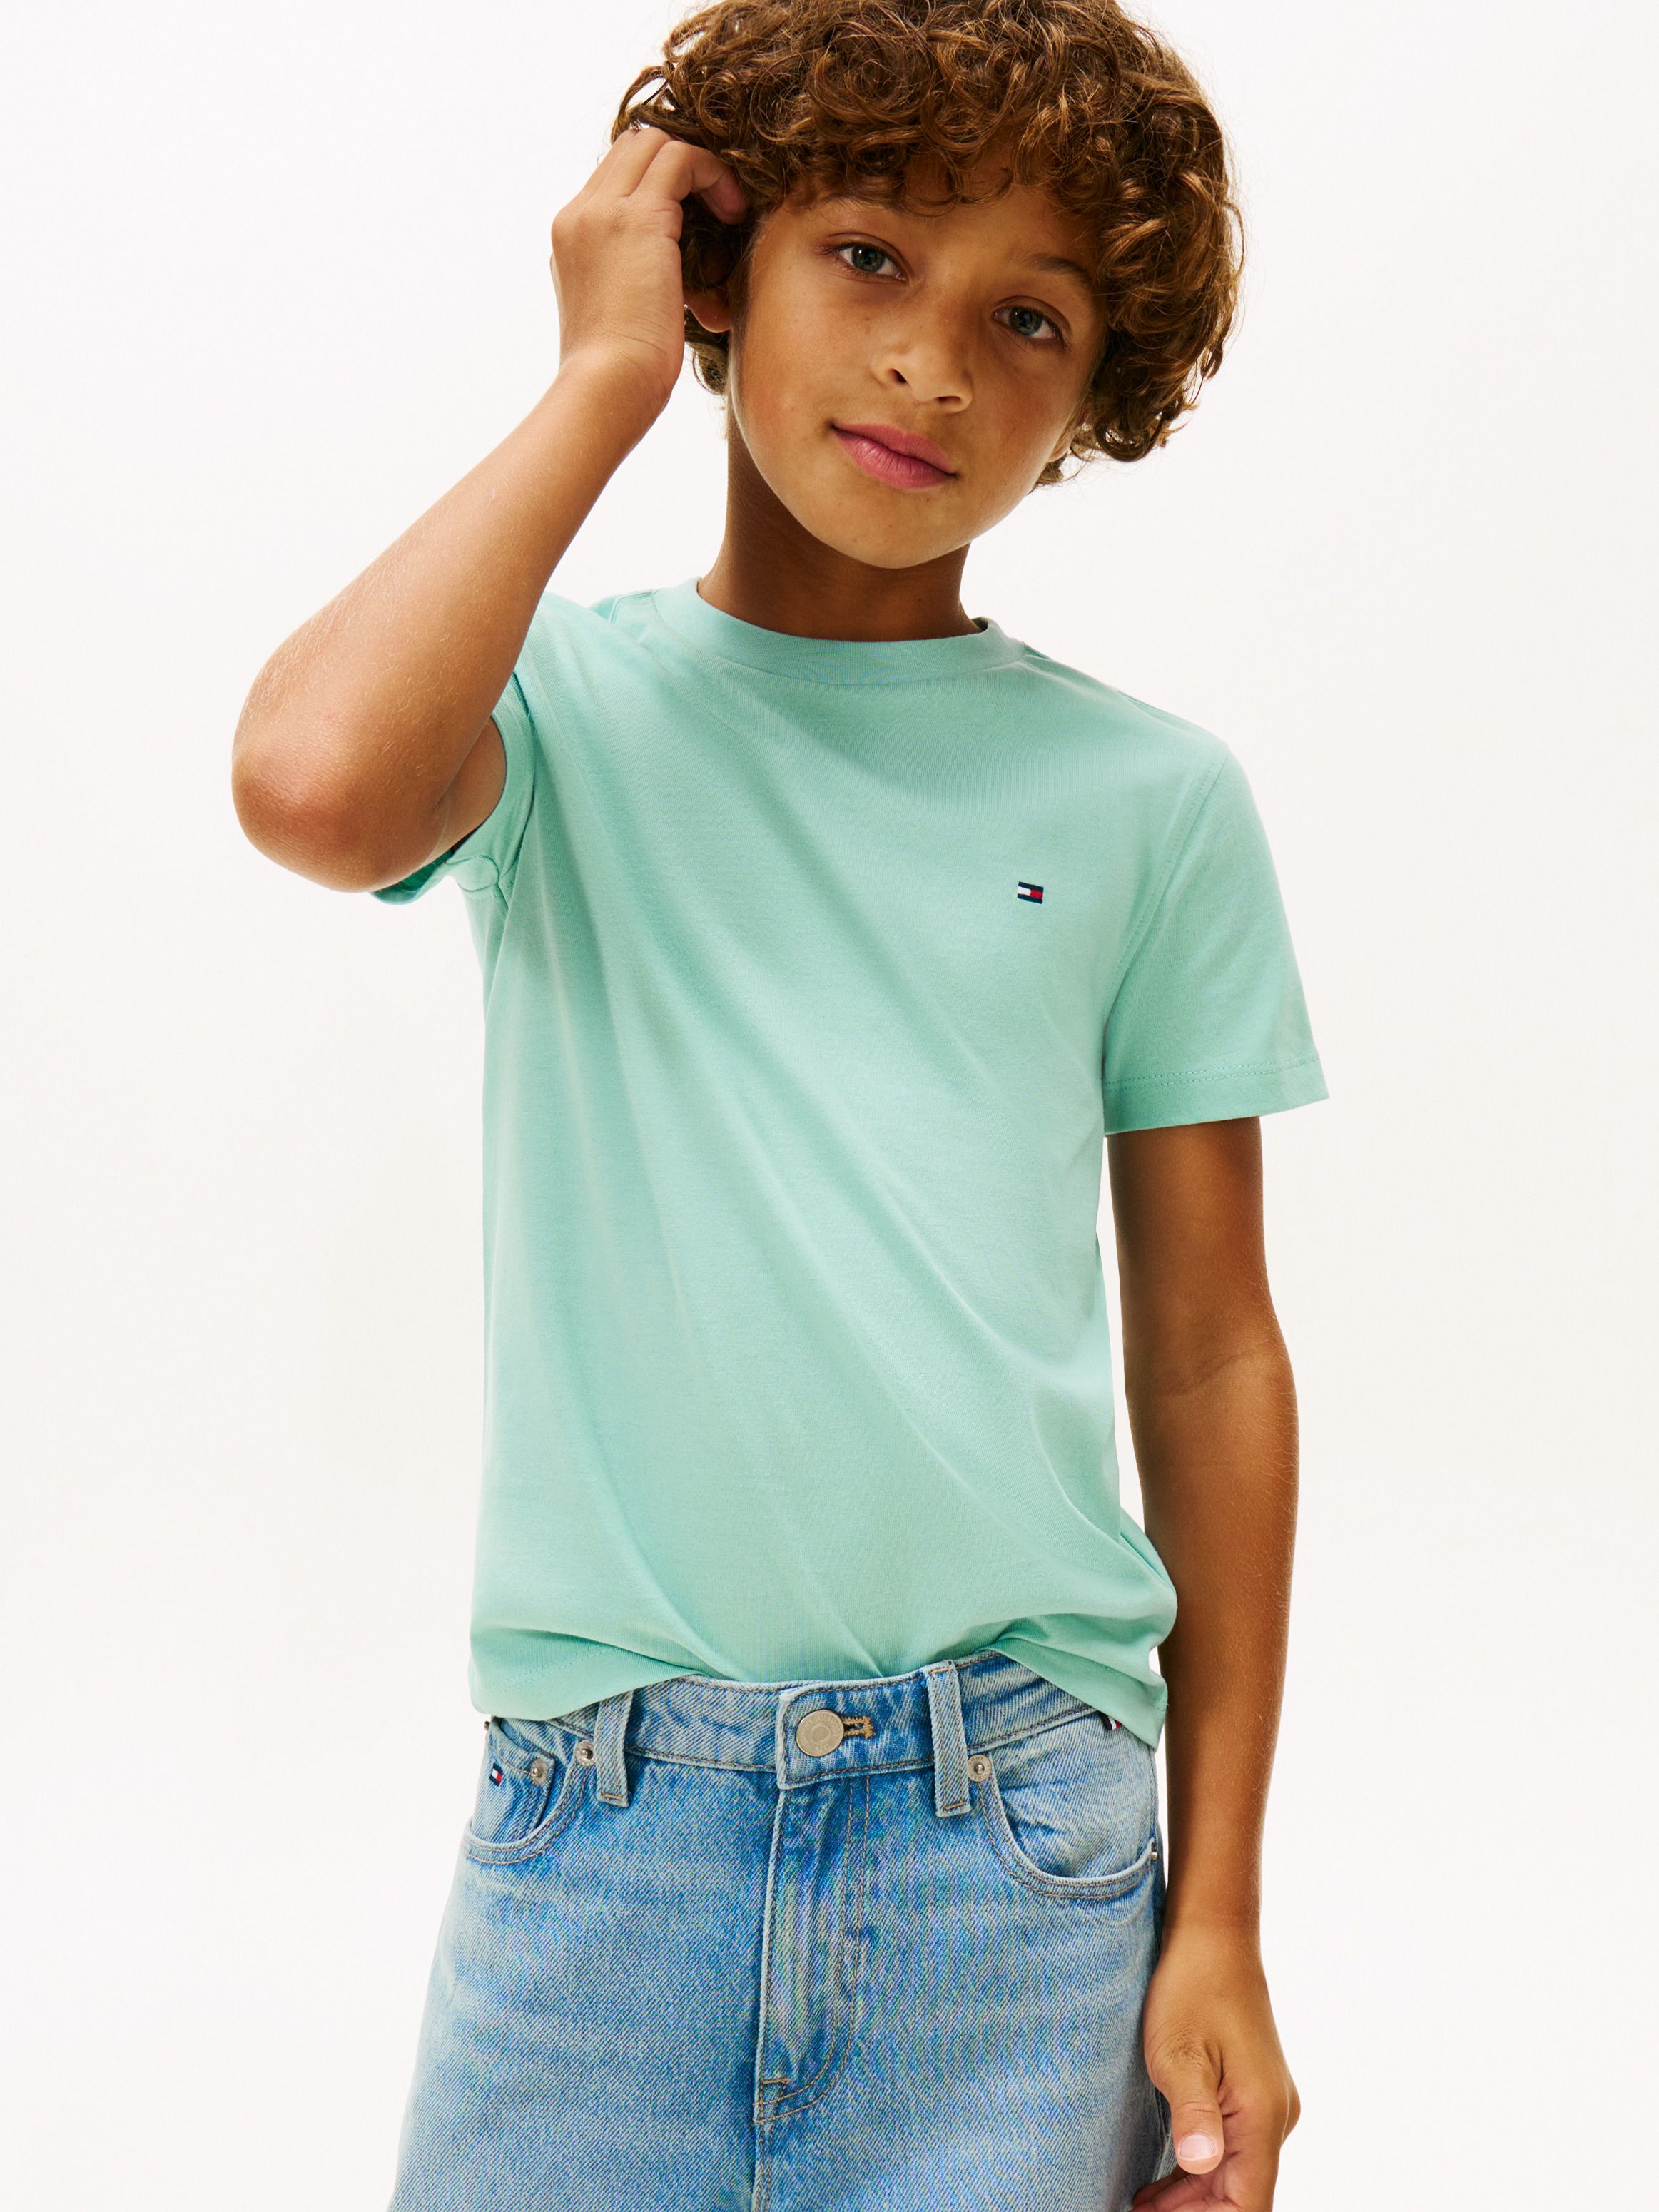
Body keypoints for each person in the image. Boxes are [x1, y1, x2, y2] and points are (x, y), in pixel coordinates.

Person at [231, 3, 1325, 2205]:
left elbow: (1211, 1353)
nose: (933, 362)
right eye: (870, 256)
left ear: (1094, 390)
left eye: (1028, 315)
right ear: (721, 265)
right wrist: (603, 379)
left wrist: (1217, 1911)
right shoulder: (556, 712)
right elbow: (315, 786)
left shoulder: (1150, 799)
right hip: (599, 1838)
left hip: (1014, 1850)